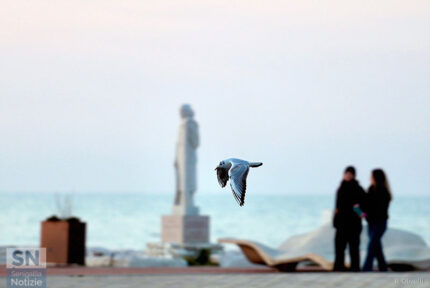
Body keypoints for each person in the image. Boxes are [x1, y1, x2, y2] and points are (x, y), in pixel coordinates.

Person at [333, 166, 366, 271]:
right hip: (341, 223)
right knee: (339, 247)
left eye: (350, 174)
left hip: (354, 223)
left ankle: (355, 268)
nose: (348, 175)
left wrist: (360, 213)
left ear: (354, 175)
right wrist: (335, 220)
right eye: (346, 173)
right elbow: (337, 207)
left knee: (354, 247)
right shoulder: (340, 188)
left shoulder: (358, 189)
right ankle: (339, 267)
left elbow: (364, 206)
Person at [362, 169, 392, 271]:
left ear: (376, 178)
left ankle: (366, 268)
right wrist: (362, 212)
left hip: (380, 223)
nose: (370, 178)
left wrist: (368, 211)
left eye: (371, 176)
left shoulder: (384, 192)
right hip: (370, 222)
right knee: (376, 246)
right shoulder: (370, 190)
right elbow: (365, 204)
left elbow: (380, 209)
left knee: (372, 245)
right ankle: (383, 267)